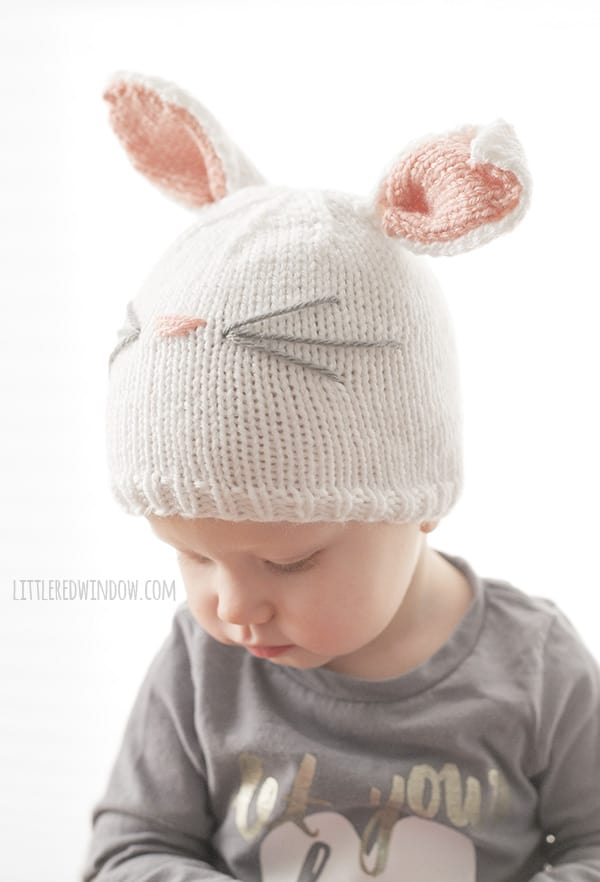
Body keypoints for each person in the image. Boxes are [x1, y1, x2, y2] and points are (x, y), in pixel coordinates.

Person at [81, 71, 600, 882]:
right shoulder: (201, 666)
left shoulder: (536, 664)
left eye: (290, 561)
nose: (233, 605)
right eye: (191, 555)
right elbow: (129, 848)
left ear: (418, 499)